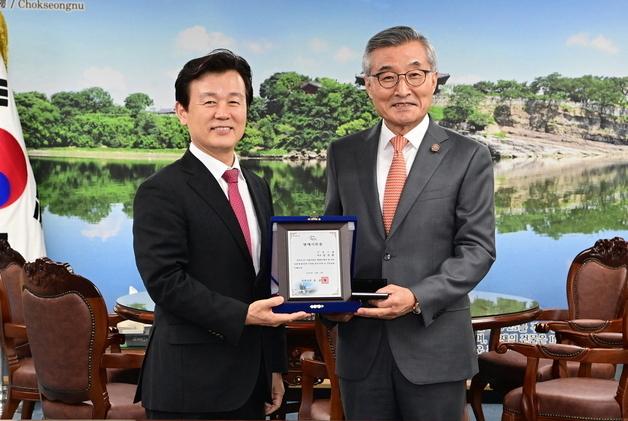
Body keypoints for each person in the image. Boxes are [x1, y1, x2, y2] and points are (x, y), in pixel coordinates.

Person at [324, 26, 496, 420]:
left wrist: (418, 296)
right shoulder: (344, 153)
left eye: (414, 74)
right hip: (360, 348)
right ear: (368, 85)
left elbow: (478, 250)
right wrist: (325, 299)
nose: (402, 88)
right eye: (386, 76)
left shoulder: (469, 156)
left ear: (433, 81)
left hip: (434, 348)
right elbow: (332, 240)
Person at [132, 49, 308, 420]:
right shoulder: (161, 190)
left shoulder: (258, 187)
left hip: (252, 381)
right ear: (182, 112)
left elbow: (269, 284)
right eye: (209, 102)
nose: (223, 113)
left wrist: (275, 366)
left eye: (234, 101)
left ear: (247, 109)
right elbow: (165, 282)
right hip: (189, 386)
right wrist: (243, 314)